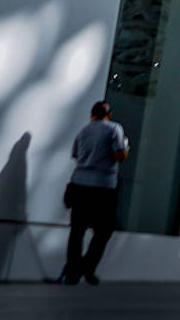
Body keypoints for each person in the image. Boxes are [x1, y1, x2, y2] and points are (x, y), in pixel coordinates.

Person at [63, 101, 129, 285]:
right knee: (104, 230)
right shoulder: (114, 128)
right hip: (103, 187)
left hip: (79, 183)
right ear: (108, 114)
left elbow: (76, 155)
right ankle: (87, 267)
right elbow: (119, 156)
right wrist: (125, 149)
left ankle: (72, 272)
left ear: (92, 114)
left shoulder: (83, 131)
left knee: (77, 231)